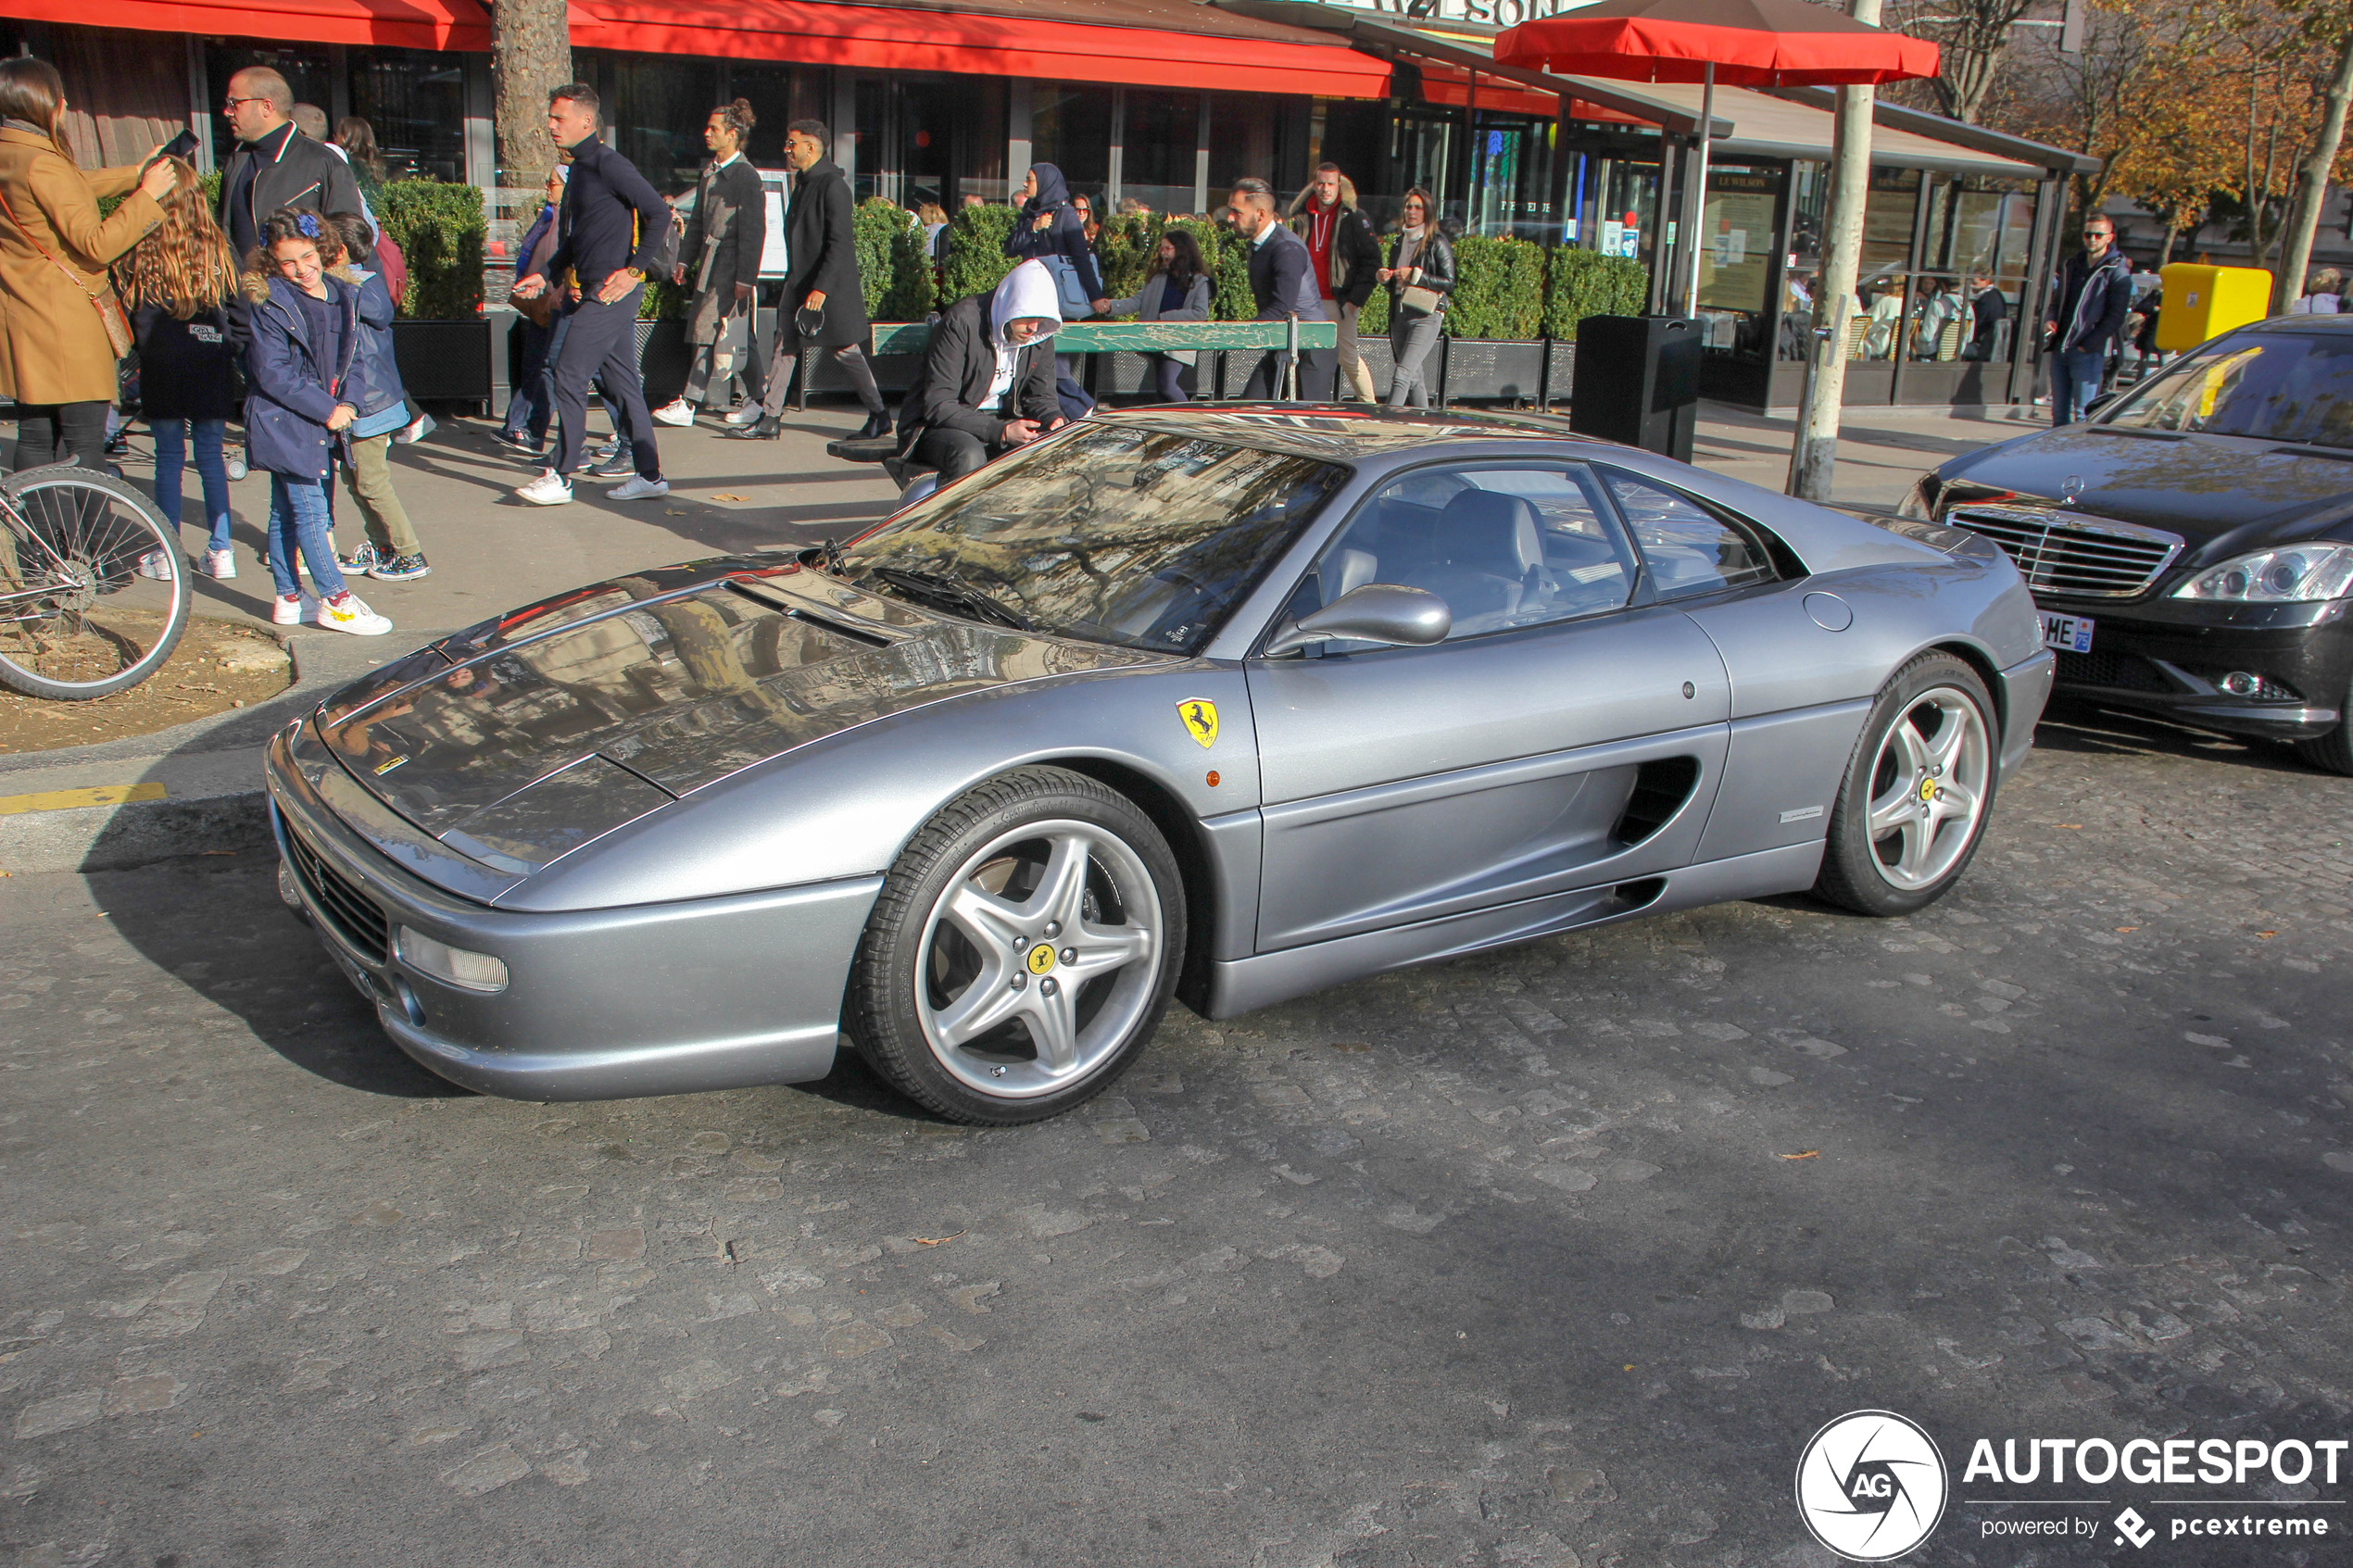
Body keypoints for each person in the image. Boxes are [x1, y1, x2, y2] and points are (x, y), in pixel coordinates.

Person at [0, 56, 175, 471]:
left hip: (24, 314)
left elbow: (66, 185)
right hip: (67, 324)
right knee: (84, 443)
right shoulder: (44, 161)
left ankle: (40, 535)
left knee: (37, 438)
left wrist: (134, 173)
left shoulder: (13, 152)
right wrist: (146, 197)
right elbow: (96, 246)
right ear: (52, 105)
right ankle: (88, 538)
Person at [509, 82, 671, 504]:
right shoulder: (579, 168)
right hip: (595, 288)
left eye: (558, 118)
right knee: (622, 383)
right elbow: (577, 240)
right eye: (551, 117)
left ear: (586, 120)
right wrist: (546, 274)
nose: (550, 125)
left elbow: (658, 213)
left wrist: (634, 271)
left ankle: (562, 476)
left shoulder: (609, 163)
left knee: (569, 370)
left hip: (612, 292)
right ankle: (650, 476)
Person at [238, 207, 390, 634]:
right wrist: (328, 409)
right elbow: (272, 373)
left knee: (286, 512)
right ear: (273, 262)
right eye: (288, 261)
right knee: (312, 513)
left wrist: (351, 404)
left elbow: (355, 358)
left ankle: (290, 597)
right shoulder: (271, 301)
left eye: (307, 256)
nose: (301, 269)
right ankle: (336, 599)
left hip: (324, 418)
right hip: (287, 420)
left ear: (322, 250)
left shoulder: (344, 295)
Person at [120, 155, 239, 578]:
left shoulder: (142, 244)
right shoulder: (215, 244)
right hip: (211, 357)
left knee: (168, 458)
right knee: (210, 456)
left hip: (162, 360)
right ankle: (221, 551)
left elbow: (130, 310)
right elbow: (237, 305)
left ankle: (166, 553)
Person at [734, 119, 888, 443]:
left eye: (792, 144)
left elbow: (840, 244)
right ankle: (770, 418)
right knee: (784, 346)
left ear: (811, 146)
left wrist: (821, 288)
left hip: (823, 288)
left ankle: (879, 413)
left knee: (846, 350)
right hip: (799, 283)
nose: (786, 150)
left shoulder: (832, 186)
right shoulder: (805, 182)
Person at [325, 211, 427, 582]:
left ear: (336, 251)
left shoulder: (360, 284)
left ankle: (409, 553)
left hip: (370, 402)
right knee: (357, 481)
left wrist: (337, 281)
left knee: (371, 481)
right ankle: (383, 547)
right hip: (363, 400)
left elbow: (379, 312)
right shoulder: (354, 281)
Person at [896, 257, 1064, 481]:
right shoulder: (962, 322)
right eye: (1028, 316)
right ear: (1011, 305)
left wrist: (1054, 419)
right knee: (969, 454)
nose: (1033, 327)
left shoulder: (1038, 335)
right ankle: (961, 516)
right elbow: (939, 405)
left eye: (1040, 319)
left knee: (1054, 450)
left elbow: (1041, 396)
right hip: (938, 426)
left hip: (1002, 418)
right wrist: (1001, 431)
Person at [654, 98, 766, 429]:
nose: (707, 133)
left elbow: (753, 232)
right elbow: (699, 225)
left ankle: (689, 402)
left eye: (714, 128)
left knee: (710, 330)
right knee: (734, 333)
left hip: (730, 265)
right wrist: (684, 261)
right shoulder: (710, 172)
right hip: (712, 262)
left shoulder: (745, 177)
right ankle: (759, 399)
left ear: (732, 134)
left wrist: (746, 276)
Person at [218, 73, 360, 262]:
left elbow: (348, 244)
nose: (227, 111)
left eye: (234, 103)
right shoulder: (237, 160)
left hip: (300, 290)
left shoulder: (324, 163)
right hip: (239, 288)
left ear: (266, 106)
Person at [1003, 163, 1108, 420]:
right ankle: (1065, 416)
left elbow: (1081, 258)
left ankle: (1082, 409)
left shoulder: (1067, 215)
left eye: (1030, 179)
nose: (1025, 184)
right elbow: (1009, 248)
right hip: (1032, 297)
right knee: (1034, 365)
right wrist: (1034, 228)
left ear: (1046, 183)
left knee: (1054, 367)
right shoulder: (1030, 213)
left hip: (1057, 301)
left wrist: (1095, 296)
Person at [1227, 178, 1332, 402]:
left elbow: (1281, 307)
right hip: (1284, 342)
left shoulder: (1286, 248)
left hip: (1311, 346)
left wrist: (1233, 334)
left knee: (1312, 427)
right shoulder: (1259, 245)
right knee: (1249, 412)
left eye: (1237, 212)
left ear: (1261, 214)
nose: (1230, 218)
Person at [1288, 163, 1380, 401]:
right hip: (1307, 300)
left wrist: (1354, 302)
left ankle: (1370, 408)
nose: (1325, 189)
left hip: (1338, 300)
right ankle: (1304, 406)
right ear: (1314, 185)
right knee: (1303, 355)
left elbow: (1371, 262)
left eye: (1330, 184)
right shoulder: (1301, 217)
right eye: (1320, 183)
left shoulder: (1353, 217)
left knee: (1348, 356)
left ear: (1339, 186)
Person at [496, 165, 565, 456]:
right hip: (542, 301)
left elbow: (563, 262)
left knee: (556, 369)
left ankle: (622, 435)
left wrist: (553, 292)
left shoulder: (568, 220)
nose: (547, 188)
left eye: (552, 183)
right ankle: (519, 427)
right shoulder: (549, 216)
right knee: (534, 365)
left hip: (558, 302)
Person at [1102, 229, 1211, 403]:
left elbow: (1200, 313)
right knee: (1161, 390)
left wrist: (1166, 317)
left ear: (1181, 250)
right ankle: (1169, 427)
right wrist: (1111, 307)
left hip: (1179, 340)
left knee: (1167, 384)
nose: (1163, 252)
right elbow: (1138, 301)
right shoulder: (1159, 277)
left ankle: (1192, 420)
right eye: (1162, 248)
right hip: (1156, 338)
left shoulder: (1198, 281)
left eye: (1168, 248)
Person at [2044, 211, 2132, 425]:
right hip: (2061, 346)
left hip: (2088, 350)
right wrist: (2051, 319)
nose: (2092, 239)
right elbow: (2057, 302)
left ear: (2109, 238)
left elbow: (2116, 315)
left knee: (2084, 412)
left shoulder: (2116, 272)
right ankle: (2056, 454)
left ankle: (2077, 455)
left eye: (2098, 235)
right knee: (2059, 411)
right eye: (2088, 234)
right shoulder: (2072, 266)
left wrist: (2090, 343)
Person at [1378, 186, 1451, 408]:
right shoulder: (1398, 242)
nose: (1412, 211)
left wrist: (1416, 275)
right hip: (1400, 313)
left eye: (1418, 207)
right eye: (1409, 206)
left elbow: (1449, 282)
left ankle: (1387, 425)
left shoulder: (1436, 241)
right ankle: (1424, 425)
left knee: (1402, 373)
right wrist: (1387, 277)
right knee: (1414, 378)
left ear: (1427, 212)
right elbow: (1396, 281)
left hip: (1426, 314)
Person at [332, 116, 385, 211]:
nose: (334, 138)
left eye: (337, 134)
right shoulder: (379, 164)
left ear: (344, 138)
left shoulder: (343, 164)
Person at [1963, 272, 2006, 360]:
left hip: (1982, 345)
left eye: (1975, 283)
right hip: (1990, 344)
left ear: (1986, 282)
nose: (1971, 286)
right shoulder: (1996, 294)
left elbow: (1975, 324)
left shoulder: (1986, 301)